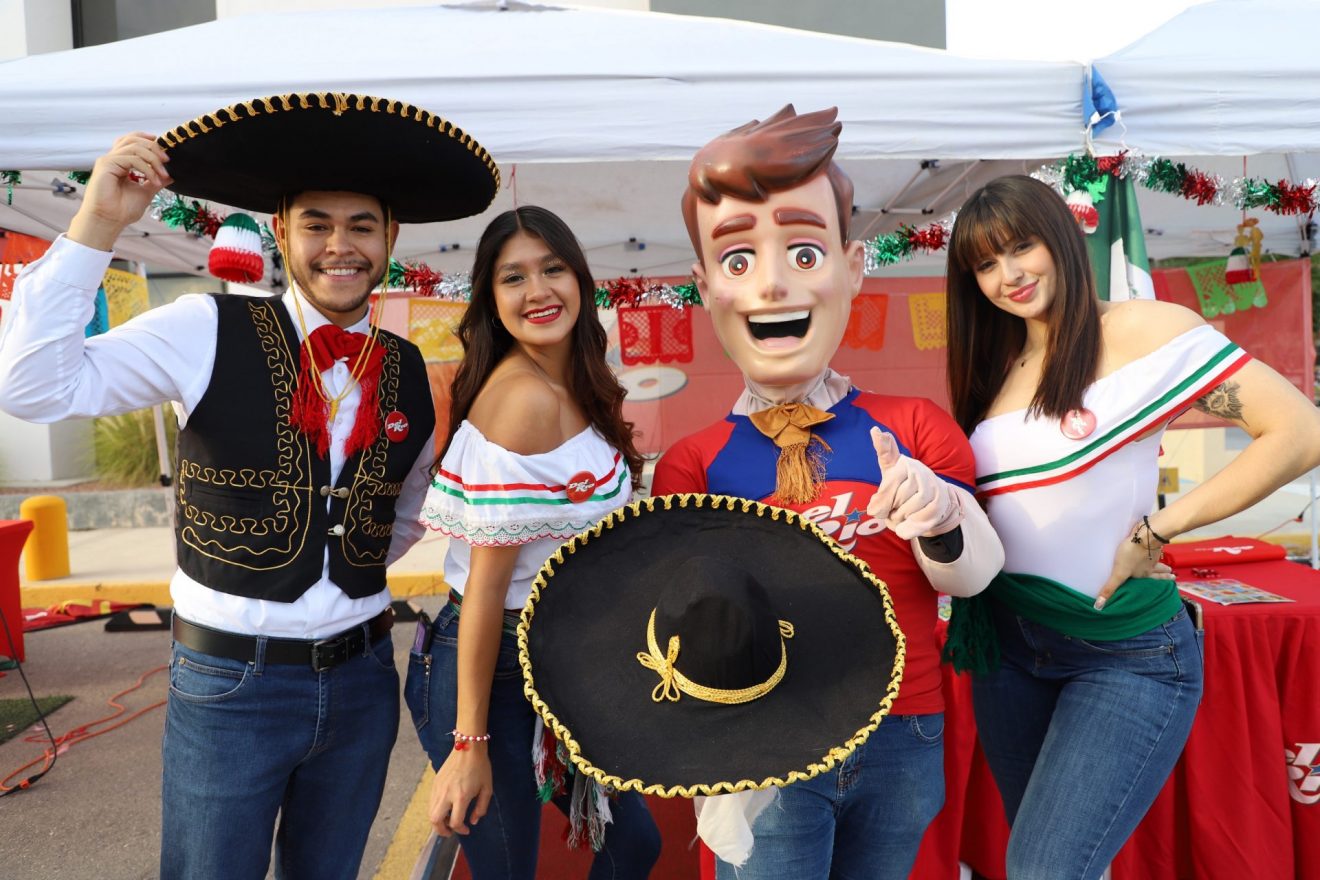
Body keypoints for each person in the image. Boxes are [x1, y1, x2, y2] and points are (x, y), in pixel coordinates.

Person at [0, 95, 499, 880]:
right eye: (317, 225)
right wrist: (97, 223)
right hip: (232, 684)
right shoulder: (204, 328)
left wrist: (340, 563)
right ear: (281, 233)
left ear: (391, 238)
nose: (340, 246)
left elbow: (404, 512)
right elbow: (31, 387)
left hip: (364, 678)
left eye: (361, 226)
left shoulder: (407, 367)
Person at [650, 105, 1003, 879]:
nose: (773, 282)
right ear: (704, 286)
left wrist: (940, 513)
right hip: (765, 745)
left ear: (853, 266)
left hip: (903, 731)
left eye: (804, 252)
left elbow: (973, 575)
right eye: (737, 260)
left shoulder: (914, 424)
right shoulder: (692, 464)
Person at [942, 174, 1320, 879]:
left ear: (1061, 236)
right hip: (1010, 649)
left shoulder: (1142, 330)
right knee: (1049, 863)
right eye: (986, 264)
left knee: (1045, 869)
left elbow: (1299, 431)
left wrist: (1159, 530)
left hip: (1124, 651)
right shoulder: (997, 364)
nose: (1008, 274)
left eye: (1021, 247)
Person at [409, 205, 661, 879]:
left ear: (579, 278)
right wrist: (469, 743)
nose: (538, 291)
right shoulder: (524, 399)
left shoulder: (576, 383)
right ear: (491, 300)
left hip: (562, 655)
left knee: (634, 843)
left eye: (553, 269)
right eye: (513, 277)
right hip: (489, 667)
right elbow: (485, 590)